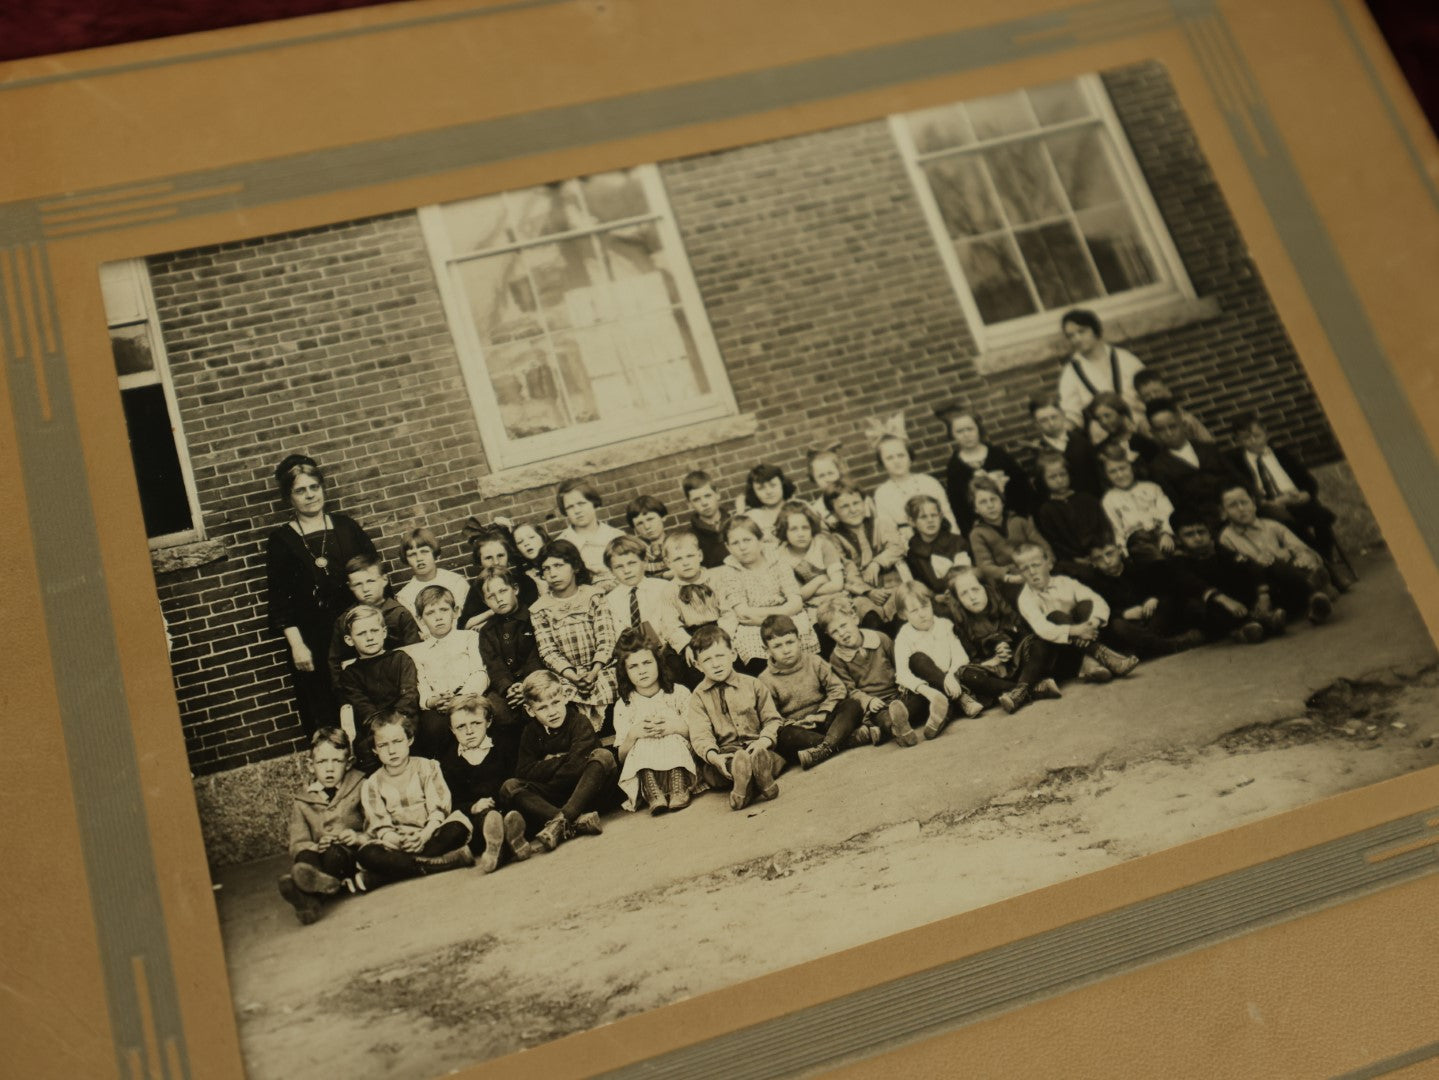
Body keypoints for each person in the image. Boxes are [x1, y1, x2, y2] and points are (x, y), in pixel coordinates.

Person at [265, 454, 378, 733]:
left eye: (314, 487)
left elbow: (372, 575)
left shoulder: (346, 527)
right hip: (313, 639)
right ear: (288, 498)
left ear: (323, 488)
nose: (310, 495)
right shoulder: (281, 541)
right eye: (300, 491)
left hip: (357, 629)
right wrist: (297, 645)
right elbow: (280, 600)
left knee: (367, 696)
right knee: (325, 708)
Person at [499, 671, 617, 852]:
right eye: (543, 707)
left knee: (603, 756)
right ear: (530, 710)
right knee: (510, 786)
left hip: (587, 793)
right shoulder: (530, 732)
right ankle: (573, 822)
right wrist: (564, 759)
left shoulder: (579, 722)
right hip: (554, 799)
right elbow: (523, 771)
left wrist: (548, 764)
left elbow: (576, 768)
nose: (552, 712)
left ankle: (561, 821)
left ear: (565, 697)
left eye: (555, 703)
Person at [1224, 412, 1347, 584]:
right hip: (1270, 506)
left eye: (1257, 435)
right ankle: (1329, 572)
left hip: (1296, 501)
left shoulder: (1281, 454)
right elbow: (1243, 491)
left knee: (1320, 516)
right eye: (1245, 439)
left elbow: (1308, 481)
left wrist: (1306, 493)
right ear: (1236, 441)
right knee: (1289, 524)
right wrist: (1267, 502)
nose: (1253, 441)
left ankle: (1324, 560)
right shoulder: (1236, 462)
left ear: (1266, 433)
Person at [354, 713, 476, 883]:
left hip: (430, 835)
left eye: (397, 742)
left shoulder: (427, 767)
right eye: (383, 745)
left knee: (456, 828)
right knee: (368, 854)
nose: (391, 750)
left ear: (409, 740)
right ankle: (441, 864)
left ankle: (381, 877)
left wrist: (424, 835)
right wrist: (399, 841)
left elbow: (439, 809)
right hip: (397, 844)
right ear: (374, 749)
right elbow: (379, 824)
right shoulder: (372, 784)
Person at [683, 625, 786, 811]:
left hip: (757, 746)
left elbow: (772, 719)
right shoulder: (698, 697)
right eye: (707, 659)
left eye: (720, 656)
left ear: (733, 654)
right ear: (698, 665)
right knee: (731, 765)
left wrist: (764, 740)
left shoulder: (753, 684)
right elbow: (700, 735)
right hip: (726, 754)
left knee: (766, 758)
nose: (715, 664)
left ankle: (745, 788)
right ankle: (762, 783)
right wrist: (714, 757)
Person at [278, 727, 369, 925]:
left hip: (347, 853)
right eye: (322, 762)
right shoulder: (303, 800)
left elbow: (374, 823)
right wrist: (314, 847)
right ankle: (311, 896)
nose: (329, 768)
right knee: (304, 858)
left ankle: (305, 893)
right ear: (311, 766)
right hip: (319, 854)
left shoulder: (360, 786)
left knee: (334, 855)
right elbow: (298, 842)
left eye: (336, 761)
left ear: (348, 763)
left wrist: (357, 836)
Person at [1012, 543, 1138, 683]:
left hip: (1089, 635)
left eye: (1035, 565)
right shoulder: (1025, 598)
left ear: (1049, 564)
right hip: (1060, 651)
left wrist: (1092, 624)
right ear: (1020, 574)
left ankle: (1093, 663)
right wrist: (1075, 630)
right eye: (1025, 569)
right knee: (1055, 616)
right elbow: (1043, 628)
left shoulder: (1065, 582)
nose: (1032, 572)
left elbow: (1098, 601)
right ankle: (1101, 657)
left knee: (1086, 604)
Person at [942, 568, 1062, 715]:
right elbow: (969, 658)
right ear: (958, 599)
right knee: (966, 674)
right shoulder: (959, 624)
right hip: (996, 675)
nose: (972, 597)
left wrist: (1008, 644)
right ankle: (1032, 689)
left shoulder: (1004, 604)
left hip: (1022, 664)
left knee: (1039, 641)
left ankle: (1022, 689)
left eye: (975, 589)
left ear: (985, 587)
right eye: (964, 593)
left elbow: (1024, 633)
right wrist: (993, 659)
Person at [759, 614, 871, 770]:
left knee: (852, 705)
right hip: (800, 729)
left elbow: (837, 688)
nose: (786, 650)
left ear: (799, 641)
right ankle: (846, 740)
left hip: (825, 719)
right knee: (783, 737)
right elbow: (771, 716)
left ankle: (825, 747)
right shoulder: (765, 680)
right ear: (767, 650)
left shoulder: (814, 661)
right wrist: (796, 723)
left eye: (790, 642)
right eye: (778, 646)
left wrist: (823, 713)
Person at [528, 539, 619, 729]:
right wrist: (573, 676)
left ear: (575, 566)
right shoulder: (540, 609)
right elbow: (548, 651)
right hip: (566, 676)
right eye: (546, 569)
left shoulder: (594, 596)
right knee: (556, 699)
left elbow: (607, 638)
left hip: (601, 668)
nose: (553, 573)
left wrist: (593, 671)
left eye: (559, 566)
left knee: (615, 687)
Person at [1217, 484, 1337, 625]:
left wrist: (1303, 556)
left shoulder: (1272, 526)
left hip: (1290, 575)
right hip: (1265, 587)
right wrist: (1270, 557)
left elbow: (1297, 546)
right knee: (1273, 562)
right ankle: (1315, 593)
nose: (1241, 509)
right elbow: (1239, 568)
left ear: (1254, 504)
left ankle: (1315, 596)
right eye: (1233, 506)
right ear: (1223, 513)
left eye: (1244, 502)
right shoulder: (1226, 538)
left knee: (1303, 558)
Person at [439, 695, 532, 873]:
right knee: (477, 825)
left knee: (517, 811)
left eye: (476, 723)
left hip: (508, 807)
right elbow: (452, 802)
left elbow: (518, 780)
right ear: (452, 730)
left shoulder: (504, 746)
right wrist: (472, 807)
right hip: (479, 818)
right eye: (461, 727)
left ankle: (502, 846)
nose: (469, 731)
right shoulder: (449, 762)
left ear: (488, 722)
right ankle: (509, 844)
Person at [1168, 506, 1285, 643]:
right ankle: (1244, 629)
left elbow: (1248, 567)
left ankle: (1260, 620)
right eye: (1189, 534)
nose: (1198, 538)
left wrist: (1263, 595)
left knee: (1255, 578)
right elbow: (1191, 583)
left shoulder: (1217, 549)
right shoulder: (1178, 560)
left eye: (1201, 532)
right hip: (1208, 604)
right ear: (1178, 539)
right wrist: (1223, 599)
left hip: (1234, 601)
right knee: (1202, 606)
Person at [611, 628, 697, 814]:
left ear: (658, 663)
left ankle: (678, 787)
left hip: (680, 763)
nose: (642, 670)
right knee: (641, 739)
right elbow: (621, 756)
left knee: (672, 734)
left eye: (647, 662)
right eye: (633, 666)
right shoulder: (624, 705)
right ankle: (652, 791)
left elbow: (698, 735)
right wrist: (634, 734)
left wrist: (675, 727)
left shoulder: (678, 693)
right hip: (646, 768)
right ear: (624, 672)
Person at [817, 598, 922, 746]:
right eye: (835, 631)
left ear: (854, 618)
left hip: (899, 694)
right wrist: (868, 701)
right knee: (882, 717)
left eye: (843, 625)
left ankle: (892, 726)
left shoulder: (880, 638)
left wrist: (904, 682)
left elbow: (899, 662)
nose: (842, 633)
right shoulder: (837, 658)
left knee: (920, 699)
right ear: (828, 635)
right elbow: (849, 690)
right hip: (876, 704)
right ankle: (896, 729)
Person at [402, 584, 487, 761]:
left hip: (470, 696)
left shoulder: (469, 637)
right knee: (432, 728)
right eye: (430, 613)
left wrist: (461, 697)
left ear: (455, 612)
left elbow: (480, 672)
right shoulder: (418, 652)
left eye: (443, 610)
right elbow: (421, 685)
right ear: (420, 619)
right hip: (440, 706)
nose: (438, 617)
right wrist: (433, 701)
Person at [721, 514, 817, 670]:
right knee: (748, 642)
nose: (742, 547)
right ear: (728, 547)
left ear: (759, 541)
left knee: (804, 628)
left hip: (786, 616)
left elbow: (796, 602)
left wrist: (771, 615)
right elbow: (743, 612)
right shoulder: (730, 572)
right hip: (754, 626)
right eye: (735, 543)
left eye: (747, 540)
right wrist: (778, 613)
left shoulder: (778, 562)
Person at [1084, 539, 1206, 658]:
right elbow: (1099, 611)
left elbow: (1164, 587)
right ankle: (1170, 645)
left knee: (1167, 602)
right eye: (1099, 558)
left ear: (1120, 550)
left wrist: (1153, 598)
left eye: (1110, 553)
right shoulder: (1094, 583)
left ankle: (1142, 650)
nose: (1107, 561)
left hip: (1153, 618)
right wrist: (1123, 613)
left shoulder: (1138, 566)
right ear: (1092, 563)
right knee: (1117, 625)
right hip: (1130, 625)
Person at [892, 580, 984, 737]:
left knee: (945, 699)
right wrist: (929, 692)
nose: (922, 613)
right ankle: (901, 729)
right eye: (914, 611)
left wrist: (950, 675)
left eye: (925, 606)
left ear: (931, 603)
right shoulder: (904, 636)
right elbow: (902, 674)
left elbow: (960, 655)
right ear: (903, 614)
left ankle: (936, 721)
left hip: (952, 683)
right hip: (925, 690)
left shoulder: (944, 625)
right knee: (917, 663)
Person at [334, 604, 420, 770]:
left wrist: (398, 722)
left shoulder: (400, 659)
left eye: (374, 631)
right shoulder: (350, 674)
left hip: (405, 720)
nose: (369, 637)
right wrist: (384, 728)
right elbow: (363, 708)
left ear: (384, 632)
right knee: (366, 751)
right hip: (375, 727)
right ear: (349, 640)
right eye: (361, 633)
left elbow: (409, 694)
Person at [474, 568, 543, 762]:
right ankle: (514, 764)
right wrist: (508, 687)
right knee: (496, 711)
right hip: (506, 689)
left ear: (515, 589)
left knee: (538, 704)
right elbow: (493, 664)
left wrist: (526, 686)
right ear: (485, 602)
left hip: (535, 681)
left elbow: (537, 654)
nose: (499, 599)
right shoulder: (487, 631)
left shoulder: (535, 617)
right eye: (491, 596)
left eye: (503, 591)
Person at [936, 401, 1035, 534]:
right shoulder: (955, 468)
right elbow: (959, 507)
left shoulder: (998, 456)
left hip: (1015, 521)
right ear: (952, 435)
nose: (966, 435)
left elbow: (1023, 487)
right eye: (960, 431)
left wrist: (1024, 515)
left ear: (978, 429)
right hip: (984, 530)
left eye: (970, 429)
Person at [326, 553, 423, 685]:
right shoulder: (345, 620)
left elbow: (415, 653)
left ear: (384, 580)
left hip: (400, 682)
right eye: (358, 584)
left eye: (370, 581)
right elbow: (335, 662)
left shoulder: (399, 614)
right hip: (363, 687)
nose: (365, 589)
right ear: (350, 586)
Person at [1144, 398, 1242, 518]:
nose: (1169, 433)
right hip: (1203, 522)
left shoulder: (1209, 449)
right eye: (1161, 430)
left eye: (1173, 426)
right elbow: (1176, 504)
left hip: (1238, 508)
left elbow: (1236, 478)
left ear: (1183, 424)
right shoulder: (1158, 467)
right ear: (1153, 433)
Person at [825, 480, 905, 627]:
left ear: (864, 503)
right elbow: (846, 569)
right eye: (844, 506)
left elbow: (897, 547)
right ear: (833, 513)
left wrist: (877, 562)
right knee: (868, 615)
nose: (853, 510)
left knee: (901, 611)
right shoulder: (835, 538)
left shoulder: (881, 523)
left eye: (856, 503)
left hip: (892, 583)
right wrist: (868, 591)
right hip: (861, 592)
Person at [1056, 308, 1147, 430]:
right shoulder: (1071, 372)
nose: (1077, 339)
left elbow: (1149, 391)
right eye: (1071, 336)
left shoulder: (1125, 358)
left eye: (1081, 331)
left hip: (1140, 425)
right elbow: (1072, 414)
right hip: (1105, 435)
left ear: (1095, 330)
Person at [871, 429, 959, 548]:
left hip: (943, 541)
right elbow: (889, 531)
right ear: (882, 462)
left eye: (901, 455)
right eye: (889, 458)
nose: (896, 461)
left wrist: (956, 544)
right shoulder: (882, 494)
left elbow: (947, 515)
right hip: (909, 547)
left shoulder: (928, 482)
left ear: (909, 457)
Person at [966, 475, 1053, 592]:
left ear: (1001, 501)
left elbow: (1042, 544)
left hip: (1034, 568)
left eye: (993, 499)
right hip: (1010, 580)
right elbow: (985, 565)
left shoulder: (1019, 521)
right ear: (975, 509)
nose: (990, 505)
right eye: (983, 502)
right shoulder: (977, 534)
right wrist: (1007, 576)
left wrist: (1049, 562)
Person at [1032, 451, 1111, 572]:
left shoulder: (1087, 499)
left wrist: (1100, 547)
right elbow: (1055, 542)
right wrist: (1074, 558)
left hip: (1102, 551)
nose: (1059, 480)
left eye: (1062, 474)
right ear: (1043, 480)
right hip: (1075, 560)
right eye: (1053, 477)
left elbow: (1103, 526)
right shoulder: (1046, 510)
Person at [1099, 444, 1176, 563]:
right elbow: (1116, 529)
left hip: (1163, 536)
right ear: (1106, 475)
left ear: (1131, 467)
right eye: (1112, 472)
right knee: (1156, 559)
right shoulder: (1109, 500)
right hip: (1138, 543)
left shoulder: (1152, 488)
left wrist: (1166, 532)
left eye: (1123, 468)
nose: (1120, 475)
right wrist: (1124, 551)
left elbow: (1168, 512)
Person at [458, 524, 540, 631]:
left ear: (508, 556)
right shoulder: (478, 588)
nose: (496, 562)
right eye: (488, 558)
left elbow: (530, 614)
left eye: (501, 555)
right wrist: (493, 611)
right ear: (480, 562)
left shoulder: (524, 581)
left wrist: (488, 623)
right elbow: (465, 625)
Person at [774, 500, 847, 619]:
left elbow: (837, 584)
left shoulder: (822, 544)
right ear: (784, 531)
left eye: (805, 528)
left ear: (812, 528)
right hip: (807, 608)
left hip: (836, 599)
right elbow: (796, 596)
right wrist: (820, 579)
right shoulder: (781, 555)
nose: (801, 534)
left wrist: (807, 591)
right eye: (794, 529)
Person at [394, 527, 470, 632]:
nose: (419, 559)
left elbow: (468, 617)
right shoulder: (404, 596)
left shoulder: (456, 581)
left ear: (434, 553)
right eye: (412, 555)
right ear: (406, 559)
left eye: (424, 552)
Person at [555, 478, 625, 591]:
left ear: (593, 503)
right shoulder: (560, 546)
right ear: (565, 511)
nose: (577, 510)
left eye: (581, 503)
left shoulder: (617, 536)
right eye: (570, 507)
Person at [1027, 394, 1101, 496]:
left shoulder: (1081, 442)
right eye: (1044, 420)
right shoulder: (1038, 452)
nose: (1051, 423)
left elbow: (1097, 475)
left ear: (1062, 415)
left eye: (1054, 417)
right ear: (1036, 424)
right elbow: (1042, 490)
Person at [903, 493, 972, 595]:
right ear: (912, 521)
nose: (930, 520)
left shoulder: (958, 542)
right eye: (923, 517)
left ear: (940, 516)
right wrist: (935, 598)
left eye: (934, 515)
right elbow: (922, 587)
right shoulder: (914, 554)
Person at [1132, 370, 1213, 443]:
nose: (1153, 397)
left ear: (1166, 390)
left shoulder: (1185, 417)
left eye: (1156, 391)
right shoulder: (1145, 426)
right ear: (1140, 398)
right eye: (1147, 395)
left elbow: (1207, 441)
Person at [1085, 392, 1159, 465]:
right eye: (1099, 419)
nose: (1103, 422)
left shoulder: (1144, 443)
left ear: (1121, 413)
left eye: (1107, 416)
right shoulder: (1101, 450)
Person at [735, 462, 796, 545]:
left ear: (782, 484)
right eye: (761, 488)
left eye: (773, 485)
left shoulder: (799, 507)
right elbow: (740, 541)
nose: (768, 492)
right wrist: (740, 513)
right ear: (754, 492)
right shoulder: (752, 517)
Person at [682, 469, 731, 569]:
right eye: (696, 499)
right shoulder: (689, 537)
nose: (704, 503)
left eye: (707, 496)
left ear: (717, 494)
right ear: (689, 503)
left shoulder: (734, 523)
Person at [626, 495, 671, 578]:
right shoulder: (638, 555)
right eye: (639, 523)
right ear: (634, 528)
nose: (647, 526)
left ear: (663, 517)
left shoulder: (679, 543)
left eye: (650, 519)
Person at [509, 521, 552, 598]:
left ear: (543, 537)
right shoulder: (527, 579)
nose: (526, 543)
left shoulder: (563, 562)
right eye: (520, 542)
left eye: (531, 537)